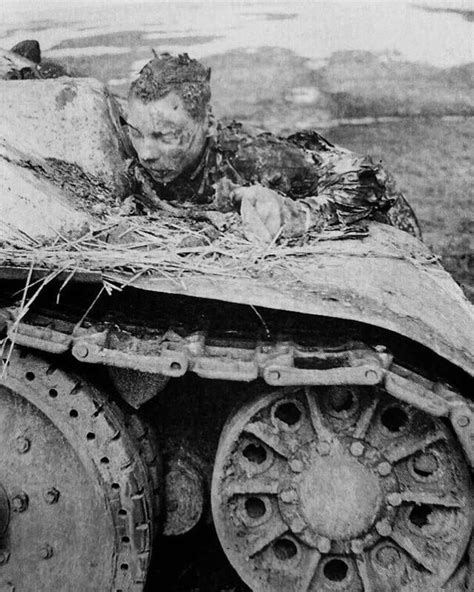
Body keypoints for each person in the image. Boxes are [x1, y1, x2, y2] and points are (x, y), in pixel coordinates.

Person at [124, 52, 421, 243]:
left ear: (208, 124)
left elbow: (370, 177)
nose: (146, 153)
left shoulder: (251, 157)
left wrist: (298, 213)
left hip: (389, 218)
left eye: (165, 137)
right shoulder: (137, 138)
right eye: (137, 133)